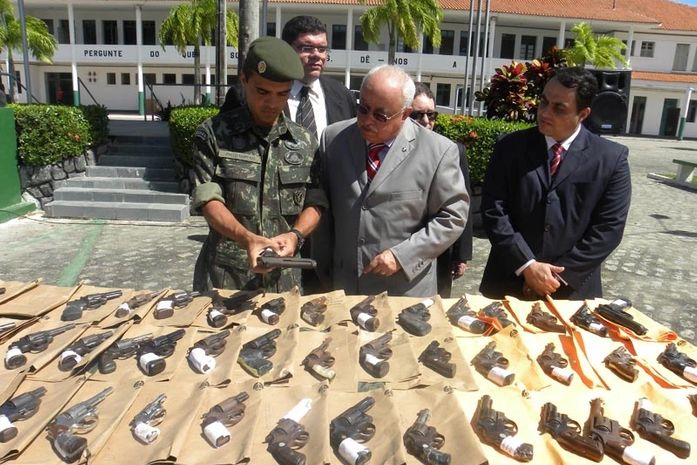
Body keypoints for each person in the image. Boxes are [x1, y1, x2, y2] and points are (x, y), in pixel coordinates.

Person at [479, 66, 631, 300]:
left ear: (583, 114)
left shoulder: (611, 159)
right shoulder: (510, 147)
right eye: (544, 102)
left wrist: (556, 278)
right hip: (508, 281)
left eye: (559, 108)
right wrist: (527, 266)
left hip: (572, 291)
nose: (545, 112)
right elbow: (494, 210)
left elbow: (608, 229)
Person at [191, 36, 328, 293]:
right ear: (244, 80)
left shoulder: (304, 141)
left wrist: (296, 235)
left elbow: (316, 201)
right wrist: (247, 239)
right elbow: (207, 200)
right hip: (226, 278)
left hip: (284, 280)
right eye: (262, 92)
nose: (272, 103)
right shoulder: (214, 134)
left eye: (282, 94)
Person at [320, 65, 469, 297]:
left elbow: (453, 216)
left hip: (404, 291)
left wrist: (403, 256)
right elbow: (323, 210)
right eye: (363, 109)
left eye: (380, 116)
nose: (367, 120)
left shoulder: (438, 151)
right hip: (344, 287)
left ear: (405, 114)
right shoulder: (333, 139)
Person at [282, 15, 358, 293]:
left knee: (322, 293)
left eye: (322, 49)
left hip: (329, 216)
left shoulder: (341, 95)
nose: (317, 55)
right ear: (288, 49)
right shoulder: (263, 92)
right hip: (279, 217)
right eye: (306, 48)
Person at [411, 82, 473, 297]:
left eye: (431, 114)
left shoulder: (452, 150)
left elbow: (463, 203)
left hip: (440, 246)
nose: (425, 121)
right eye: (417, 115)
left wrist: (462, 255)